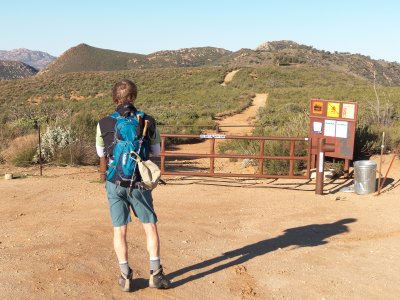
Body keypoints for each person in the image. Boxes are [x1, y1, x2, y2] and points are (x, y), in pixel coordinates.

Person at [95, 79, 170, 291]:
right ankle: (156, 274)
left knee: (120, 230)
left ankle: (125, 275)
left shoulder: (104, 123)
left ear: (114, 98)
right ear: (134, 97)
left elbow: (101, 153)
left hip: (114, 181)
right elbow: (155, 153)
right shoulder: (148, 120)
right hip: (139, 182)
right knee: (150, 226)